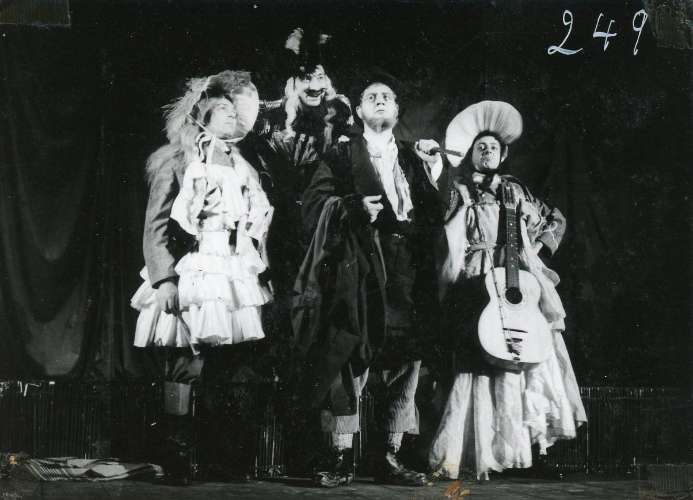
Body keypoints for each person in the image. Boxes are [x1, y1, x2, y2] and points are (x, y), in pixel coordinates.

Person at [294, 78, 445, 487]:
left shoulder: (414, 158)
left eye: (387, 97)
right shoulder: (341, 154)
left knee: (407, 358)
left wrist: (434, 169)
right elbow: (313, 206)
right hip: (360, 264)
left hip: (407, 269)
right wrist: (352, 207)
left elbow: (435, 214)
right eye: (371, 97)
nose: (380, 100)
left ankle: (389, 455)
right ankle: (340, 456)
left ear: (396, 111)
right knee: (349, 354)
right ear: (359, 111)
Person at [428, 101, 587, 480]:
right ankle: (478, 451)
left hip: (517, 281)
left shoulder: (516, 190)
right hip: (475, 281)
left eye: (493, 148)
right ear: (471, 154)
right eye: (480, 147)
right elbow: (440, 224)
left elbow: (554, 220)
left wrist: (533, 251)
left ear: (503, 155)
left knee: (529, 361)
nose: (487, 152)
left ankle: (529, 453)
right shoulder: (458, 190)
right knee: (479, 361)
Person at [130, 70, 274, 484]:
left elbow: (254, 226)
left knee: (230, 365)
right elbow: (156, 225)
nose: (231, 115)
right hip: (193, 268)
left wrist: (259, 273)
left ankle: (221, 458)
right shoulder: (178, 162)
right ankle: (175, 456)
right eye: (221, 109)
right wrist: (164, 280)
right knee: (186, 363)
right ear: (203, 117)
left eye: (233, 110)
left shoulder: (244, 166)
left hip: (233, 270)